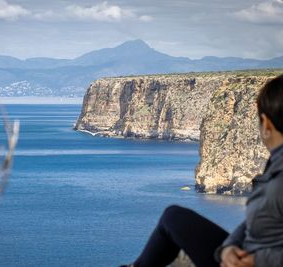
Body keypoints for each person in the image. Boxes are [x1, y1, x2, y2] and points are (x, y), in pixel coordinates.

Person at [121, 74, 283, 267]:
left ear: (266, 124)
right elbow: (255, 221)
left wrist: (258, 260)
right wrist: (229, 247)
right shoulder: (276, 161)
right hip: (244, 254)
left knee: (173, 217)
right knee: (173, 217)